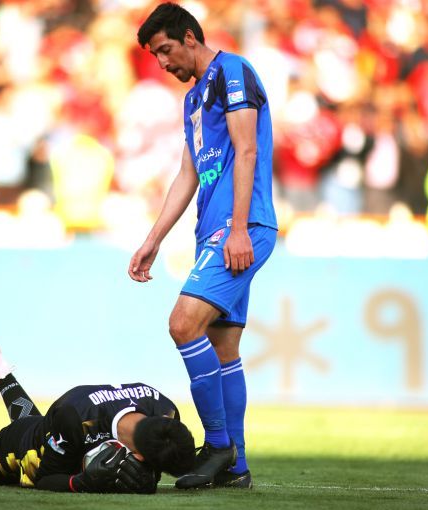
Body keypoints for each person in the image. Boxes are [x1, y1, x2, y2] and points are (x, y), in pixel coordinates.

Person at [129, 3, 278, 490]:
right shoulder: (193, 99)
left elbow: (248, 149)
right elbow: (187, 174)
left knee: (182, 324)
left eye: (165, 49)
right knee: (223, 347)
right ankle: (235, 468)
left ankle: (216, 445)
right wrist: (153, 240)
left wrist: (238, 229)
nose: (162, 62)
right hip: (213, 231)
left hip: (239, 228)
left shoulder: (233, 71)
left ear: (190, 37)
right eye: (155, 55)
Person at [0, 341, 196, 493]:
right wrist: (81, 482)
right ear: (139, 455)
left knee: (44, 431)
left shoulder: (166, 409)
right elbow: (45, 479)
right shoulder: (76, 419)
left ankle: (1, 374)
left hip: (52, 433)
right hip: (19, 450)